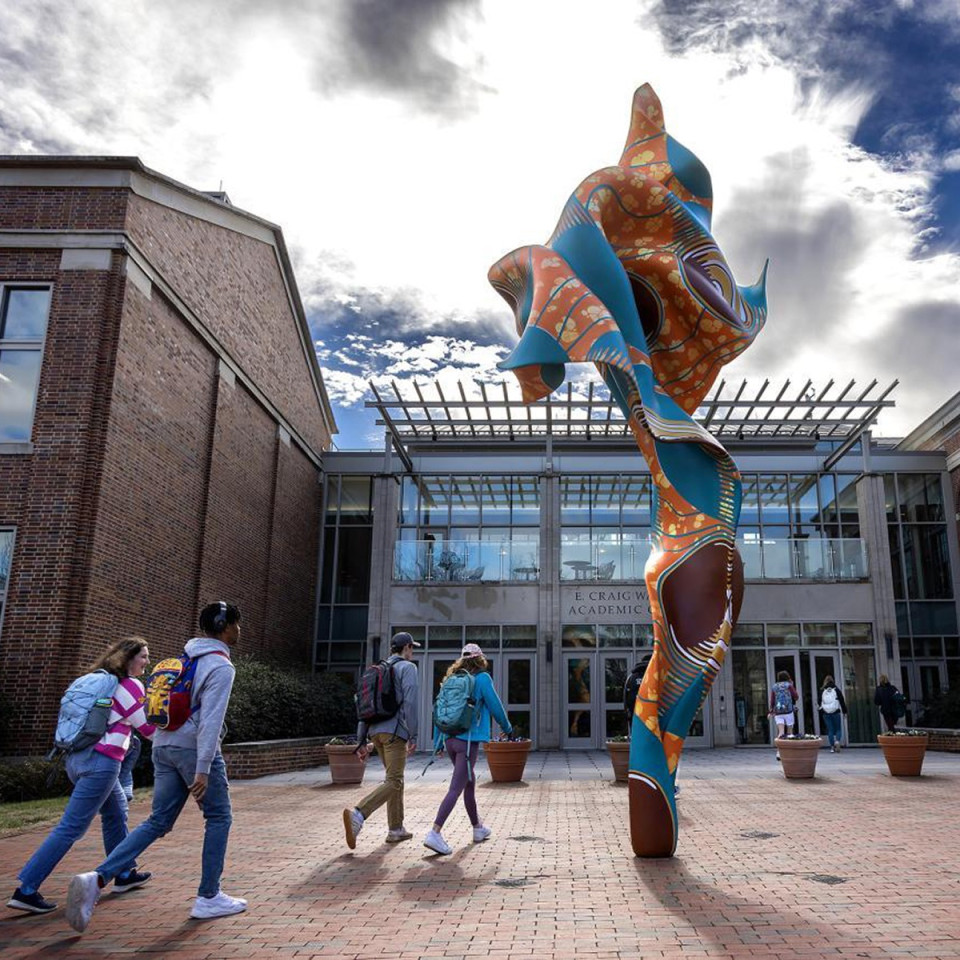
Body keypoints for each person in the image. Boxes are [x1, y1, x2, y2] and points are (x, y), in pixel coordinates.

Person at [66, 602, 244, 931]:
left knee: (159, 820)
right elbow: (211, 721)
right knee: (219, 816)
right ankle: (209, 896)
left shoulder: (184, 658)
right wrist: (203, 768)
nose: (239, 630)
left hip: (163, 746)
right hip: (193, 750)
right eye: (235, 624)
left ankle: (98, 876)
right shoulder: (220, 666)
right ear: (224, 627)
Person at [7, 638, 156, 915]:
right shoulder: (129, 686)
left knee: (115, 813)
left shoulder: (100, 681)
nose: (147, 662)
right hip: (102, 764)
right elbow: (147, 729)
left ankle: (123, 872)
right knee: (70, 827)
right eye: (144, 657)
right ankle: (26, 889)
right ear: (128, 658)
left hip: (77, 759)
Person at [424, 643, 513, 856]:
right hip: (467, 741)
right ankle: (434, 832)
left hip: (450, 740)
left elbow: (440, 710)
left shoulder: (450, 679)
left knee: (468, 782)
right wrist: (507, 728)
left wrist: (437, 742)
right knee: (456, 788)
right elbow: (495, 706)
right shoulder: (482, 679)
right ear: (480, 659)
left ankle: (478, 828)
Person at [343, 631, 420, 849]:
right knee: (394, 780)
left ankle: (396, 829)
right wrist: (413, 735)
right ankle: (359, 813)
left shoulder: (377, 669)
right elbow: (410, 703)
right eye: (412, 647)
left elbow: (363, 707)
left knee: (395, 779)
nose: (413, 652)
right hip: (395, 732)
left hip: (375, 732)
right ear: (406, 648)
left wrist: (361, 740)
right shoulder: (407, 668)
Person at [768, 670, 799, 752]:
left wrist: (771, 711)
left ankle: (779, 752)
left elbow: (772, 700)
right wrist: (792, 685)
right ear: (787, 677)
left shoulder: (774, 686)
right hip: (788, 711)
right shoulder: (789, 685)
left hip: (778, 712)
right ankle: (790, 751)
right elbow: (796, 696)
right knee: (790, 732)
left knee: (781, 732)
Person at [818, 676, 848, 753]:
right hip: (836, 712)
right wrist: (845, 712)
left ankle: (832, 747)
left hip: (826, 713)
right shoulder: (836, 690)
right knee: (838, 729)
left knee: (830, 730)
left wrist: (821, 710)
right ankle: (837, 741)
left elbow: (819, 702)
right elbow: (842, 701)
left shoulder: (822, 690)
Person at [623, 655, 652, 728]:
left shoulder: (631, 677)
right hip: (652, 716)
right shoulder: (654, 675)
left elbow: (625, 697)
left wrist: (628, 714)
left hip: (635, 714)